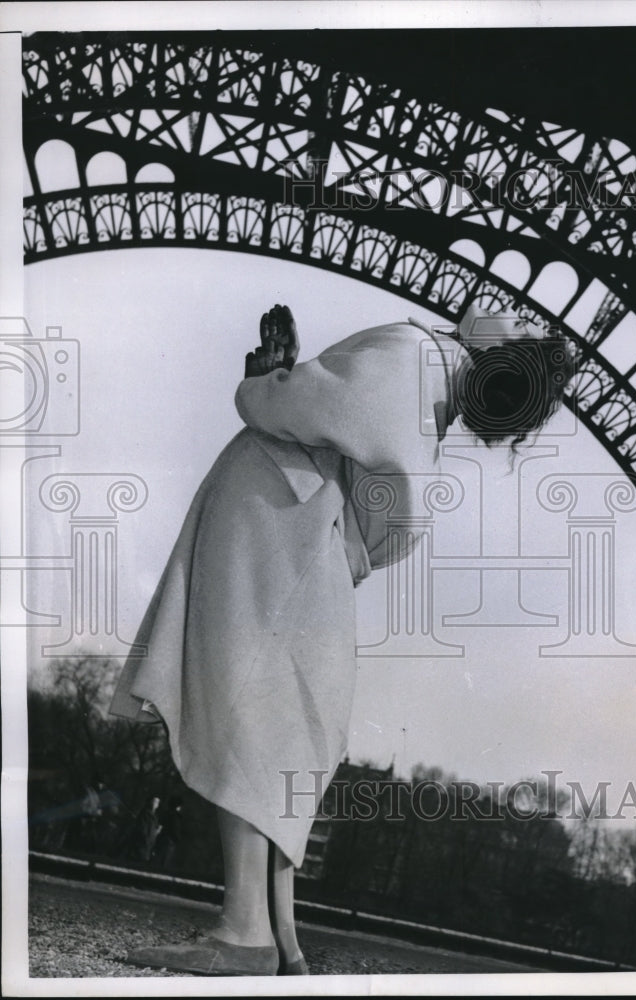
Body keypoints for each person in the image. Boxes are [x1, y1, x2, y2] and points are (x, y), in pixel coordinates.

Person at [111, 302, 572, 976]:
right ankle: (276, 934)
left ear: (505, 357)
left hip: (272, 524)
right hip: (296, 534)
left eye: (524, 328)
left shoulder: (417, 352)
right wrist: (349, 551)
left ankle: (245, 934)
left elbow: (310, 406)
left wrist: (265, 383)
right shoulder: (434, 386)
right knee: (272, 728)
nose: (511, 311)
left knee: (244, 720)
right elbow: (396, 501)